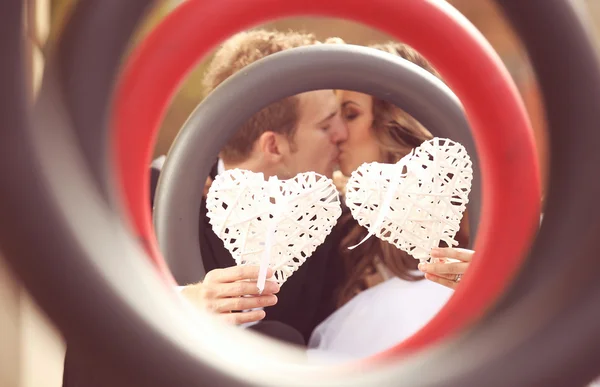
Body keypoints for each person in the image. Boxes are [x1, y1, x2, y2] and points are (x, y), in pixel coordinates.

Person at [62, 29, 348, 387]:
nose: (342, 134)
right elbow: (89, 314)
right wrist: (188, 302)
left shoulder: (330, 215)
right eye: (326, 125)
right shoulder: (149, 193)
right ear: (273, 146)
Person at [307, 41, 474, 360]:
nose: (338, 132)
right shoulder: (344, 223)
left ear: (395, 120)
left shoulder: (480, 206)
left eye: (351, 114)